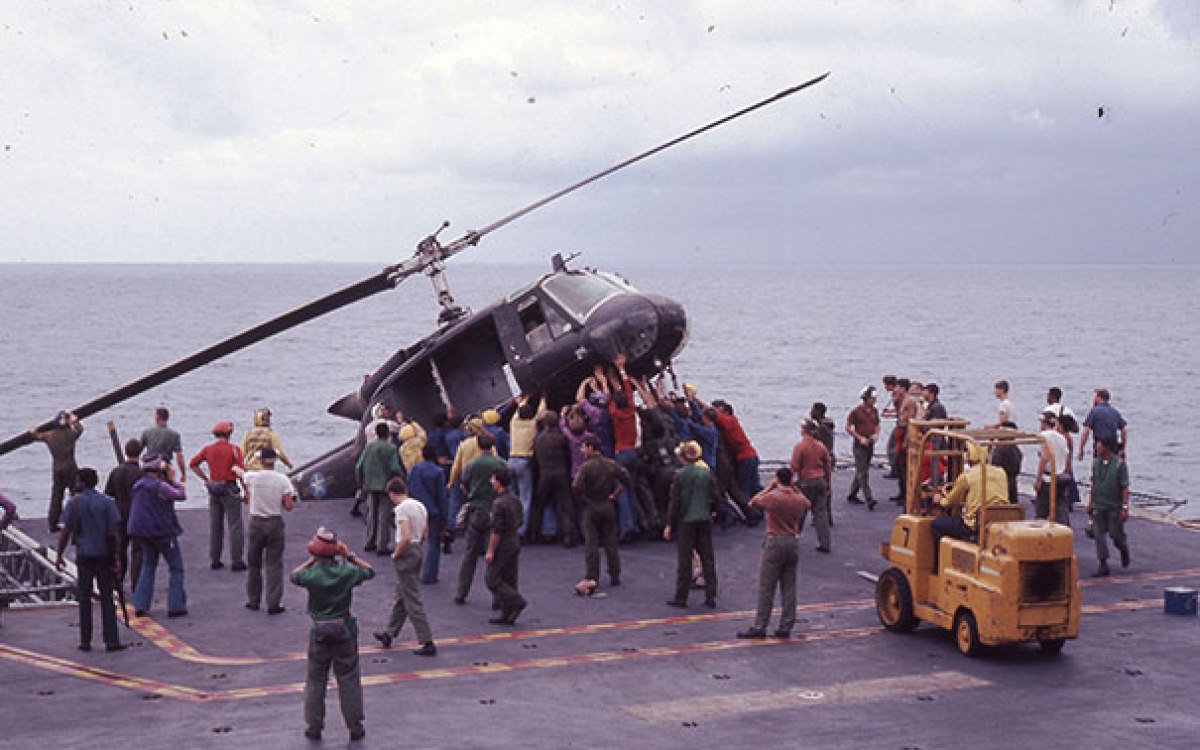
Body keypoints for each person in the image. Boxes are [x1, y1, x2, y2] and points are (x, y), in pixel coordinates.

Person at [291, 528, 374, 742]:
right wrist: (349, 555)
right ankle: (355, 727)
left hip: (319, 633)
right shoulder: (346, 573)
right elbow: (369, 571)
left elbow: (294, 575)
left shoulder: (311, 576)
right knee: (348, 679)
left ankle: (314, 726)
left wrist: (312, 560)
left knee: (316, 680)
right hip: (345, 631)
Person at [55, 467, 126, 652]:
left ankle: (85, 640)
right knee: (107, 597)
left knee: (84, 598)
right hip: (104, 554)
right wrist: (117, 557)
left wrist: (59, 554)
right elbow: (114, 533)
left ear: (82, 482)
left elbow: (66, 531)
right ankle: (111, 639)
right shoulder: (107, 503)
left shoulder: (73, 503)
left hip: (84, 554)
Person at [737, 468, 811, 639]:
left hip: (775, 540)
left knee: (767, 587)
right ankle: (786, 625)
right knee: (789, 586)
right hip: (792, 541)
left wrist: (770, 487)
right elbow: (808, 503)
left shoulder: (773, 498)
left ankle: (760, 625)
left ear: (778, 479)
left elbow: (753, 502)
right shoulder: (798, 499)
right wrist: (794, 488)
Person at [373, 477, 437, 654]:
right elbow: (425, 533)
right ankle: (389, 633)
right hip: (418, 550)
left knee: (412, 599)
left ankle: (427, 640)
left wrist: (396, 554)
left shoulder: (401, 510)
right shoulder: (419, 505)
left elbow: (406, 536)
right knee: (402, 595)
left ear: (392, 494)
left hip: (406, 552)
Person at [930, 443, 1008, 570]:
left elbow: (950, 501)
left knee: (937, 524)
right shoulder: (1001, 473)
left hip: (973, 525)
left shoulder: (967, 476)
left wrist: (940, 500)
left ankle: (939, 565)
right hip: (998, 522)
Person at [127, 455, 188, 618]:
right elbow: (180, 495)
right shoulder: (160, 486)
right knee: (176, 567)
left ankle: (140, 604)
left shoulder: (138, 485)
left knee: (148, 566)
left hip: (143, 533)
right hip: (163, 532)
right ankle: (176, 606)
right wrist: (174, 480)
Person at [239, 446, 295, 614]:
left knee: (254, 563)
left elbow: (243, 481)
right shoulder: (283, 480)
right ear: (275, 461)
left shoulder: (252, 478)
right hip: (274, 521)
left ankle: (253, 600)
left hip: (256, 522)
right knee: (274, 564)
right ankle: (273, 603)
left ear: (261, 461)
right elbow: (288, 506)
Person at [573, 435, 630, 595]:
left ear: (591, 448)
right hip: (607, 504)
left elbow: (576, 486)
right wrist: (615, 494)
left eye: (584, 447)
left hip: (592, 506)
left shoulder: (586, 468)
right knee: (610, 541)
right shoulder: (610, 464)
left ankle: (592, 576)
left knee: (591, 543)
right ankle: (614, 573)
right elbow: (625, 478)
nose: (582, 450)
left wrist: (585, 498)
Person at [663, 441, 717, 608]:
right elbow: (715, 495)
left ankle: (681, 596)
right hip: (704, 518)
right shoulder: (706, 473)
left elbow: (675, 502)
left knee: (685, 559)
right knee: (707, 558)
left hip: (687, 520)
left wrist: (669, 524)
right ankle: (711, 595)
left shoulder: (680, 475)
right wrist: (711, 512)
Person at [454, 433, 506, 605]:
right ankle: (497, 596)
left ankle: (461, 592)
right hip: (495, 510)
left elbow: (463, 483)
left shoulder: (472, 464)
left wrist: (471, 494)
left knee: (470, 553)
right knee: (495, 554)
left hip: (477, 509)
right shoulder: (500, 463)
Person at [189, 421, 247, 571]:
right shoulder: (234, 450)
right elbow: (241, 472)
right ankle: (236, 560)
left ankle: (215, 559)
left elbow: (193, 464)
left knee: (216, 525)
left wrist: (206, 479)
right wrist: (247, 491)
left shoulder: (208, 450)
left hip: (214, 488)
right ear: (229, 433)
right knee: (235, 524)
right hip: (229, 487)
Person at [29, 410, 83, 532]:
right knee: (75, 494)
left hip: (57, 468)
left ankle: (53, 523)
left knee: (57, 496)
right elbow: (80, 430)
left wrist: (33, 430)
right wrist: (76, 421)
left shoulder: (49, 435)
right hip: (71, 466)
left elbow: (36, 435)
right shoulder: (71, 434)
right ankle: (76, 523)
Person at [485, 467, 527, 625]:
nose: (491, 482)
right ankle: (507, 612)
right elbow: (521, 519)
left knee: (492, 579)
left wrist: (490, 550)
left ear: (498, 482)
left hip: (503, 543)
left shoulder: (498, 503)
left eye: (493, 479)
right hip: (514, 539)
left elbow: (496, 530)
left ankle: (516, 601)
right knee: (509, 578)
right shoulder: (514, 499)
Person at [356, 422, 404, 554]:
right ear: (388, 433)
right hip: (385, 486)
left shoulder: (369, 447)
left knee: (372, 514)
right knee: (384, 515)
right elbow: (394, 467)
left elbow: (359, 466)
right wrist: (401, 477)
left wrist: (361, 482)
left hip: (370, 485)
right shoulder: (391, 448)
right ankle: (382, 545)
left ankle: (369, 541)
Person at [1087, 437, 1131, 577]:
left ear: (1106, 446)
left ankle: (1123, 548)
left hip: (1114, 506)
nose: (1096, 447)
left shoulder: (1119, 464)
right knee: (1098, 535)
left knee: (1115, 535)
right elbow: (1094, 484)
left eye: (1098, 444)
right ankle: (1103, 563)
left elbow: (1124, 487)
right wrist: (1090, 502)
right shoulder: (1096, 463)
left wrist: (1125, 507)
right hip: (1099, 505)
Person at [104, 438, 144, 588]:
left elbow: (108, 494)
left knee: (119, 549)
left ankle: (117, 580)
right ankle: (136, 582)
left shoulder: (116, 472)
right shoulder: (141, 474)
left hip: (118, 512)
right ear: (140, 453)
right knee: (138, 549)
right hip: (136, 513)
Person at [407, 445, 449, 584]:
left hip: (416, 509)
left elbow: (410, 488)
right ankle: (429, 574)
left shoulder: (415, 469)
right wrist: (444, 516)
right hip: (433, 511)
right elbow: (442, 496)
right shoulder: (438, 472)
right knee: (433, 543)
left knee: (415, 540)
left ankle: (411, 571)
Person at [530, 411, 573, 546]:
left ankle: (534, 533)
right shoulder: (561, 439)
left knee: (539, 504)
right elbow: (567, 456)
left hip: (544, 473)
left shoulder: (539, 440)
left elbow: (535, 459)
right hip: (560, 472)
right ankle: (568, 535)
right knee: (566, 504)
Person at [790, 419, 833, 553]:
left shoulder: (800, 446)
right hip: (820, 480)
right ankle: (825, 543)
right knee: (821, 514)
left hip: (806, 481)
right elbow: (828, 466)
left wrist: (789, 484)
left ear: (804, 430)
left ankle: (794, 538)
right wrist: (828, 483)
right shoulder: (821, 446)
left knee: (800, 511)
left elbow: (794, 467)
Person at [506, 395, 542, 536]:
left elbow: (518, 410)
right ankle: (520, 531)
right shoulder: (532, 425)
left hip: (511, 460)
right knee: (525, 498)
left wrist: (523, 400)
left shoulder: (514, 423)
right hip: (524, 461)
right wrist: (543, 398)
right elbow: (540, 414)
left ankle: (509, 526)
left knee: (511, 496)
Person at [845, 385, 880, 510]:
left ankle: (852, 494)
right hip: (859, 445)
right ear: (866, 398)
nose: (874, 400)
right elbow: (848, 427)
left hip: (870, 443)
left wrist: (876, 434)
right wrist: (859, 438)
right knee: (863, 473)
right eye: (872, 398)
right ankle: (869, 498)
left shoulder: (874, 411)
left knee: (861, 470)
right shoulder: (856, 411)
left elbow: (877, 424)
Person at [1034, 412, 1071, 525]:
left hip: (1048, 478)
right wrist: (1066, 473)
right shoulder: (1062, 438)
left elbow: (1044, 458)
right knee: (1060, 508)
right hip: (1061, 477)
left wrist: (1038, 479)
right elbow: (1067, 459)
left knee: (1042, 512)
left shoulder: (1044, 436)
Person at [891, 379, 919, 505]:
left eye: (897, 387)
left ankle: (906, 494)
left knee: (905, 466)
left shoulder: (910, 402)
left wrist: (907, 438)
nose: (895, 390)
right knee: (899, 464)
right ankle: (901, 492)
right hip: (900, 430)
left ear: (903, 388)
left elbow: (911, 420)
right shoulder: (902, 401)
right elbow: (899, 414)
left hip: (905, 432)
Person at [141, 407, 187, 485]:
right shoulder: (175, 435)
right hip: (165, 468)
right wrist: (183, 473)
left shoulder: (147, 432)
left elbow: (138, 451)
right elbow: (179, 456)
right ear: (167, 418)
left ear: (157, 417)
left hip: (149, 468)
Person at [1079, 388, 1128, 460]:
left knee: (1097, 466)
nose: (1093, 399)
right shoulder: (1115, 412)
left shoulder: (1094, 411)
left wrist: (1081, 448)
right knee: (1112, 467)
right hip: (1113, 445)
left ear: (1099, 397)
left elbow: (1086, 431)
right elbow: (1124, 430)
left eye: (1095, 397)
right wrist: (1122, 447)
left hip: (1100, 444)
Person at [241, 407, 295, 472]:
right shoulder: (270, 434)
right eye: (266, 419)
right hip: (264, 468)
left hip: (250, 468)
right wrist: (289, 465)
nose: (268, 420)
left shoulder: (249, 434)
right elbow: (279, 452)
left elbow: (242, 454)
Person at [989, 422, 1023, 504]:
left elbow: (995, 467)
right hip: (1012, 482)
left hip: (1000, 484)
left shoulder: (1000, 449)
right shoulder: (1016, 449)